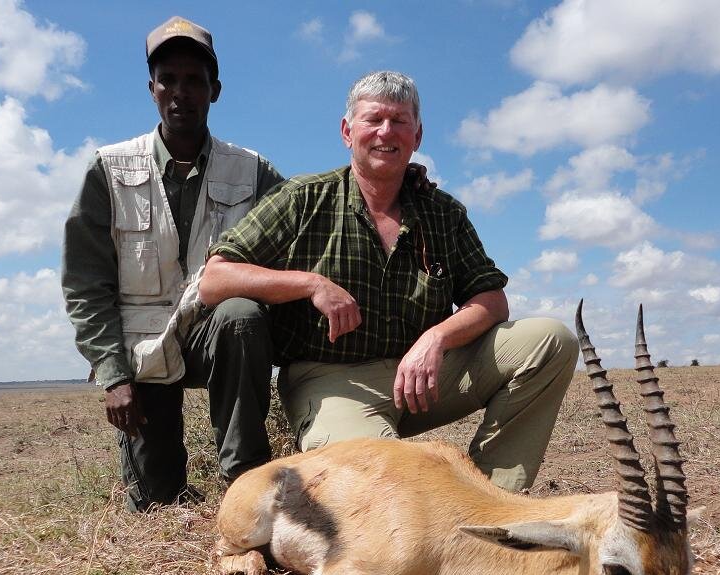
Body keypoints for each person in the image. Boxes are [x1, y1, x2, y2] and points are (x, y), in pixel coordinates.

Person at [198, 71, 579, 492]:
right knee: (386, 487)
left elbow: (491, 300)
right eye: (373, 119)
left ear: (417, 135)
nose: (386, 132)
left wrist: (436, 339)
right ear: (347, 131)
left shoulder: (443, 212)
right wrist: (311, 284)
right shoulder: (303, 197)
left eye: (399, 121)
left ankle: (495, 499)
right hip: (330, 378)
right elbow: (215, 278)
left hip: (423, 376)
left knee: (550, 339)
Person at [61, 17, 283, 511]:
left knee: (241, 315)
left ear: (215, 91)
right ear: (152, 89)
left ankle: (246, 485)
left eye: (194, 80)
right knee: (155, 501)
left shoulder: (253, 171)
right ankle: (158, 476)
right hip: (142, 349)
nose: (181, 92)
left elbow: (314, 220)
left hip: (215, 334)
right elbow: (85, 284)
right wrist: (114, 375)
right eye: (169, 79)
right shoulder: (109, 169)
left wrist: (396, 178)